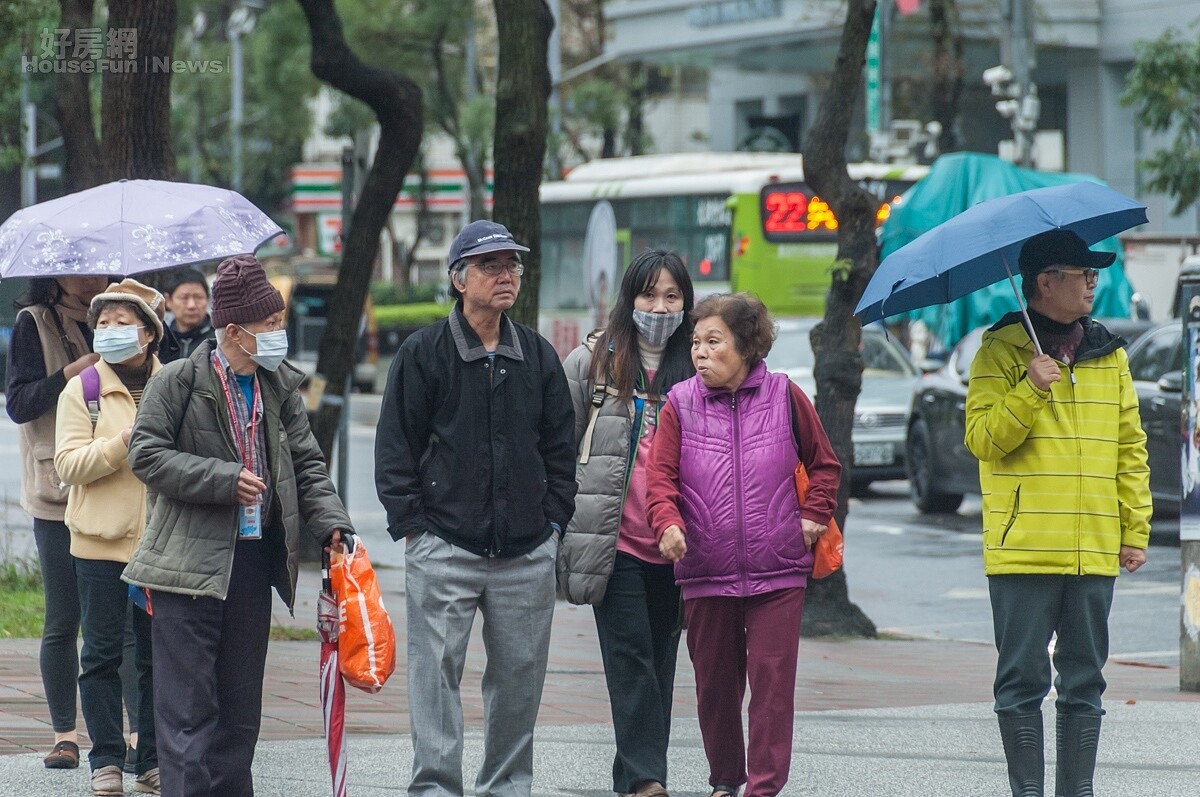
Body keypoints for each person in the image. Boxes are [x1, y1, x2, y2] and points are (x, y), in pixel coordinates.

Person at [123, 254, 354, 797]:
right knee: (187, 715)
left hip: (252, 565)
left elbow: (308, 465)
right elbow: (145, 456)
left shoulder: (279, 387)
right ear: (234, 331)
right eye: (270, 325)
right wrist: (222, 479)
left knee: (240, 713)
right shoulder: (178, 381)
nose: (280, 333)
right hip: (187, 571)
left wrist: (333, 526)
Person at [375, 219, 576, 797]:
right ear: (459, 279)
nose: (507, 275)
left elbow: (561, 450)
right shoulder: (422, 353)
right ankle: (436, 787)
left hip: (526, 550)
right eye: (492, 267)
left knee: (518, 680)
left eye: (513, 265)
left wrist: (553, 526)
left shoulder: (536, 354)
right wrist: (415, 528)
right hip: (444, 545)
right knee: (435, 677)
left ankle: (508, 785)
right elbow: (396, 449)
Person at [963, 229, 1152, 797]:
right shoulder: (999, 352)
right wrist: (1028, 388)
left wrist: (1133, 528)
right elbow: (982, 440)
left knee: (1085, 681)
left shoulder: (1109, 353)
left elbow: (1131, 448)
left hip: (1093, 546)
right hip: (1024, 550)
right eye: (1082, 274)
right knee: (1021, 681)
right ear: (1046, 282)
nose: (1094, 284)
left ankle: (1079, 790)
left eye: (1095, 275)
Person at [646, 293, 840, 797]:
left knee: (773, 689)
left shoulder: (784, 395)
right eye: (695, 343)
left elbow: (824, 464)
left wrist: (814, 516)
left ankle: (763, 788)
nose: (701, 354)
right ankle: (725, 781)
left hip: (778, 569)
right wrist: (667, 522)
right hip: (705, 568)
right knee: (715, 689)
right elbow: (659, 480)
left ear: (747, 346)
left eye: (714, 342)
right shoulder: (680, 405)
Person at [557, 250, 695, 797]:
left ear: (686, 303)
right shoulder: (591, 362)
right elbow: (559, 447)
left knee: (662, 659)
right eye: (648, 295)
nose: (659, 308)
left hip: (680, 544)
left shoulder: (702, 365)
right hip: (611, 545)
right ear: (628, 298)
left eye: (671, 297)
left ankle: (634, 774)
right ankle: (647, 780)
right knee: (630, 656)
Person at [54, 279, 165, 796]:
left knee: (155, 657)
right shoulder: (84, 389)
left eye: (122, 323)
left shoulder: (176, 385)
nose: (109, 332)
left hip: (160, 546)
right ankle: (106, 759)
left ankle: (153, 758)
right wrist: (120, 444)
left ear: (148, 334)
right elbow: (68, 465)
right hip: (98, 546)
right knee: (99, 655)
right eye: (102, 323)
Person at [5, 275, 107, 770]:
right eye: (82, 271)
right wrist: (72, 372)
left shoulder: (123, 316)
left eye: (102, 271)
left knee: (122, 619)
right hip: (57, 490)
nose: (94, 280)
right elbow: (20, 404)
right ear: (57, 275)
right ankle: (65, 734)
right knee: (64, 616)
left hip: (115, 487)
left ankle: (129, 733)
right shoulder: (33, 323)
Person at [163, 268, 216, 360]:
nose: (191, 305)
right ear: (168, 300)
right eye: (184, 297)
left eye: (198, 297)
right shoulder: (161, 343)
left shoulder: (219, 341)